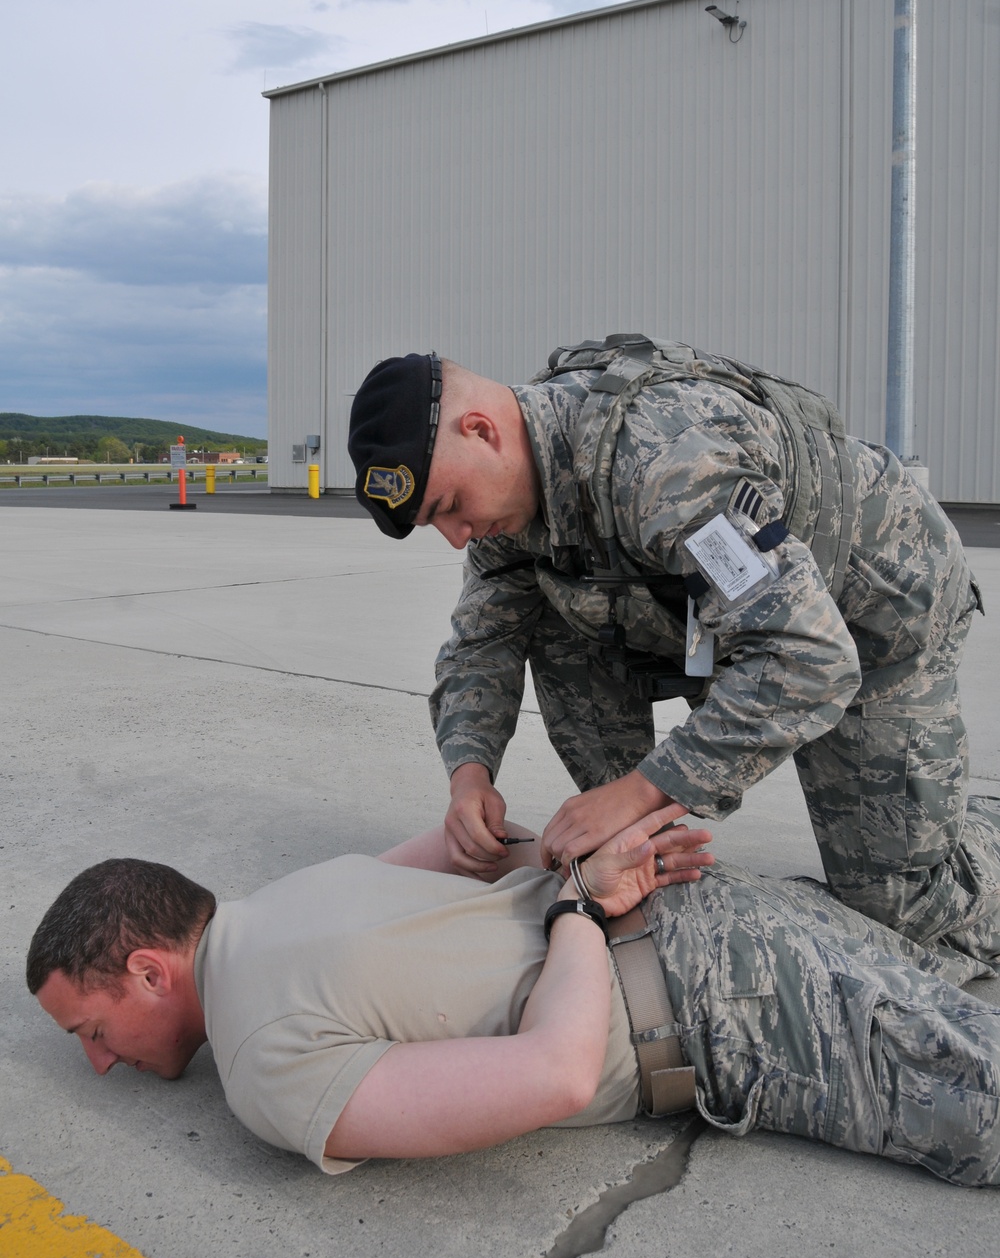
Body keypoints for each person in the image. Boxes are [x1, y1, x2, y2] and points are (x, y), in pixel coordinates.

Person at [347, 338, 1000, 965]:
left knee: (907, 910)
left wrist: (641, 790)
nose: (459, 537)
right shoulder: (511, 504)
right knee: (548, 611)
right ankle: (639, 839)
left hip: (877, 611)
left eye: (451, 507)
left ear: (483, 430)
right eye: (440, 523)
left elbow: (806, 658)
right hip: (742, 619)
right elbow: (482, 642)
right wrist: (469, 775)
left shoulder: (660, 460)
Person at [26, 815, 1000, 1186]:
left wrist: (576, 905)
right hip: (707, 904)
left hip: (734, 1007)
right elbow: (467, 847)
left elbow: (559, 1073)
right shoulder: (277, 900)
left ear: (153, 970)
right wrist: (572, 864)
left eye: (93, 1029)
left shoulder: (261, 1066)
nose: (99, 1060)